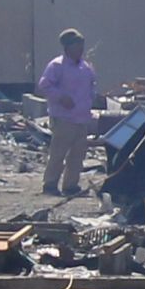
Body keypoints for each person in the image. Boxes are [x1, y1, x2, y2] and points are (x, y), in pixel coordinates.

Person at [36, 27, 97, 196]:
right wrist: (61, 97)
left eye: (81, 45)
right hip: (64, 118)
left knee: (77, 157)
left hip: (82, 118)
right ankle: (50, 184)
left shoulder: (86, 67)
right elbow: (45, 85)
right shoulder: (56, 66)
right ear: (67, 47)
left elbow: (92, 86)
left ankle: (71, 185)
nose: (80, 49)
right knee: (58, 154)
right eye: (77, 45)